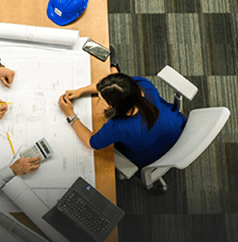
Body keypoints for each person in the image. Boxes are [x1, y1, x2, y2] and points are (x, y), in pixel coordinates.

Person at [57, 58, 186, 174]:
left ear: (115, 107)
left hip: (153, 155)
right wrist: (80, 91)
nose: (99, 99)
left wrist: (70, 115)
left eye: (101, 99)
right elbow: (114, 86)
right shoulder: (144, 85)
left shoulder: (118, 126)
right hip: (178, 128)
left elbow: (91, 143)